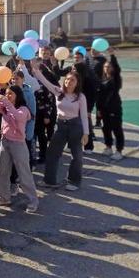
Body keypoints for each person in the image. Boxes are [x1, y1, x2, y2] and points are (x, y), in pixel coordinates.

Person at [33, 61, 88, 190]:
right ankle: (49, 180)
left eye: (72, 80)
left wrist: (86, 133)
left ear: (77, 83)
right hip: (61, 126)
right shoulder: (59, 92)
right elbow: (45, 82)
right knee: (52, 154)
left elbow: (84, 116)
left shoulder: (80, 97)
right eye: (68, 79)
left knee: (77, 156)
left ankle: (74, 182)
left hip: (75, 126)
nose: (69, 82)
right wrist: (36, 70)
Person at [0, 84, 39, 212]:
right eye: (6, 93)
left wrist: (6, 102)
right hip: (5, 142)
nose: (7, 96)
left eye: (11, 94)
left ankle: (33, 201)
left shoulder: (24, 110)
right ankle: (4, 197)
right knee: (1, 172)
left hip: (18, 144)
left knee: (24, 174)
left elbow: (18, 116)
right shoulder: (5, 107)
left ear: (18, 96)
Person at [97, 53, 124, 161]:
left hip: (114, 108)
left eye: (109, 66)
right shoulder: (102, 80)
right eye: (105, 67)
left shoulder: (115, 80)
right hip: (104, 109)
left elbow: (117, 69)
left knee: (116, 129)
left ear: (113, 68)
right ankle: (108, 147)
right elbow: (99, 96)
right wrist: (98, 109)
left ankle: (119, 150)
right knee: (106, 128)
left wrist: (113, 56)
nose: (106, 68)